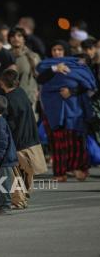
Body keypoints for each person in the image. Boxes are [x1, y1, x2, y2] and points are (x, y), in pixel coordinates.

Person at [36, 40, 97, 182]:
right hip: (53, 109)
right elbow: (40, 79)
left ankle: (79, 168)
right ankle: (60, 172)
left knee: (75, 139)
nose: (57, 52)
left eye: (60, 50)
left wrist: (72, 91)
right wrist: (55, 68)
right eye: (54, 50)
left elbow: (88, 84)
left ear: (66, 51)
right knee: (58, 141)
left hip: (74, 109)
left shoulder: (77, 64)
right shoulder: (47, 65)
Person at [0, 69, 47, 209]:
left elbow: (8, 124)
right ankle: (24, 196)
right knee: (27, 172)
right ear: (17, 82)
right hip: (31, 139)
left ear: (1, 83)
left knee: (14, 173)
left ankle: (18, 200)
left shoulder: (7, 100)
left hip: (17, 142)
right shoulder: (22, 93)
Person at [9, 27, 41, 116]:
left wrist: (37, 93)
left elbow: (40, 78)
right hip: (9, 101)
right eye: (12, 36)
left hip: (29, 99)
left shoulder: (33, 57)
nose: (16, 38)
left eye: (19, 36)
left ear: (24, 38)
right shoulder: (5, 56)